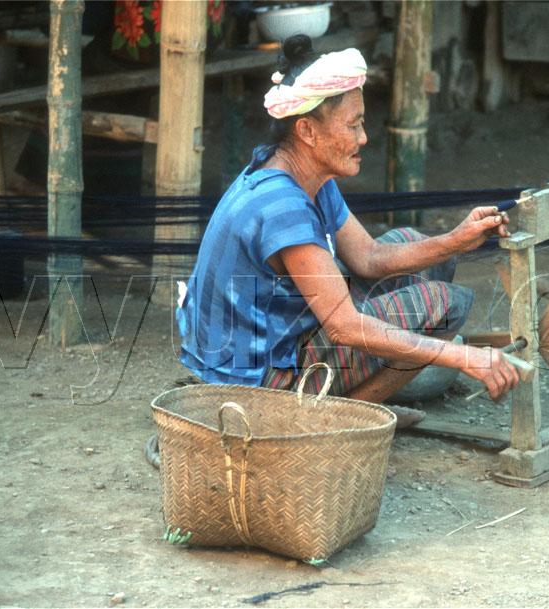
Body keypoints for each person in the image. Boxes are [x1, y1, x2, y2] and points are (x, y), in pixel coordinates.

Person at [176, 35, 519, 426]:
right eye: (353, 125)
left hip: (280, 337)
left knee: (415, 249)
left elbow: (368, 257)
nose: (363, 137)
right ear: (307, 131)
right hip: (251, 382)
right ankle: (342, 420)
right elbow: (343, 326)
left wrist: (455, 240)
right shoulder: (283, 206)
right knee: (444, 303)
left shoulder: (307, 175)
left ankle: (351, 408)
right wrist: (466, 357)